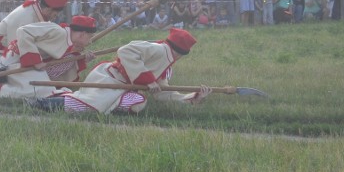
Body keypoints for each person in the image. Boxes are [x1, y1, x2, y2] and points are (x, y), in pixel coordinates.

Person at [32, 28, 211, 114]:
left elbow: (163, 93)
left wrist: (194, 97)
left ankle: (112, 112)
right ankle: (42, 104)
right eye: (180, 54)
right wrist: (148, 79)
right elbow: (125, 51)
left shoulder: (166, 62)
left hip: (122, 87)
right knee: (90, 104)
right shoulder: (157, 49)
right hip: (109, 80)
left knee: (138, 102)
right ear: (178, 51)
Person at [0, 16, 97, 99]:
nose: (90, 41)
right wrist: (35, 61)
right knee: (44, 88)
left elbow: (57, 58)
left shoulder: (64, 37)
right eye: (89, 37)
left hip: (22, 63)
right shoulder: (58, 31)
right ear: (81, 34)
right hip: (12, 63)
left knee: (46, 86)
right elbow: (23, 31)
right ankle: (0, 89)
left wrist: (81, 58)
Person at [0, 0, 68, 64]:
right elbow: (15, 45)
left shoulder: (37, 10)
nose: (55, 17)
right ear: (48, 9)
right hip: (0, 52)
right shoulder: (26, 17)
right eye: (55, 14)